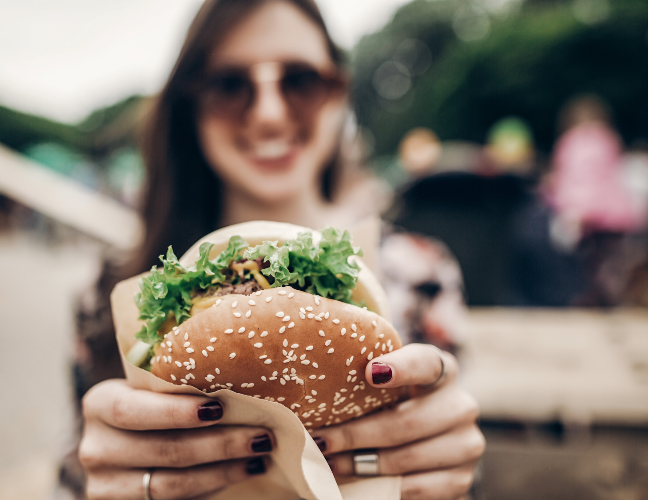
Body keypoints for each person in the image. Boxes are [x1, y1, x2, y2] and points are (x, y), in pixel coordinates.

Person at [70, 1, 485, 499]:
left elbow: (459, 469)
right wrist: (95, 482)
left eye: (301, 81)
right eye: (230, 85)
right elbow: (69, 480)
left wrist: (452, 470)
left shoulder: (422, 272)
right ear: (190, 106)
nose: (269, 115)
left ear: (339, 96)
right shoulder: (105, 294)